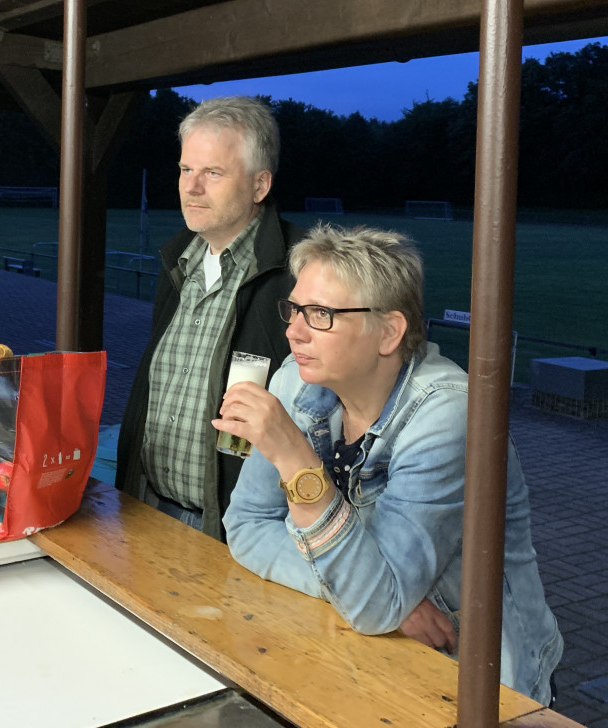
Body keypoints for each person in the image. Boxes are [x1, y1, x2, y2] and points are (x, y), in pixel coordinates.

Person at [218, 225, 562, 704]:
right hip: (364, 662)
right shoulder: (296, 381)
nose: (293, 330)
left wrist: (296, 460)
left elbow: (376, 604)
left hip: (480, 683)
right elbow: (246, 526)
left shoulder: (449, 416)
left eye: (320, 314)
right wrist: (372, 598)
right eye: (294, 309)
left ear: (389, 332)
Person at [117, 96, 305, 539]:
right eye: (186, 169)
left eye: (213, 173)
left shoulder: (302, 271)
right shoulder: (177, 262)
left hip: (235, 533)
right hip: (145, 510)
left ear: (260, 185)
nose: (192, 187)